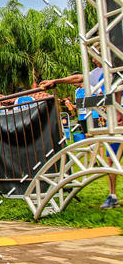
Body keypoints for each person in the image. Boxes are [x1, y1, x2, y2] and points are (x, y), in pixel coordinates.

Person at [41, 61, 121, 208]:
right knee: (112, 160)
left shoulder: (117, 66)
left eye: (97, 52)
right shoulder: (97, 74)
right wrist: (56, 81)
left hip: (115, 117)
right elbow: (79, 78)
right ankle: (112, 195)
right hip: (114, 121)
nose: (94, 59)